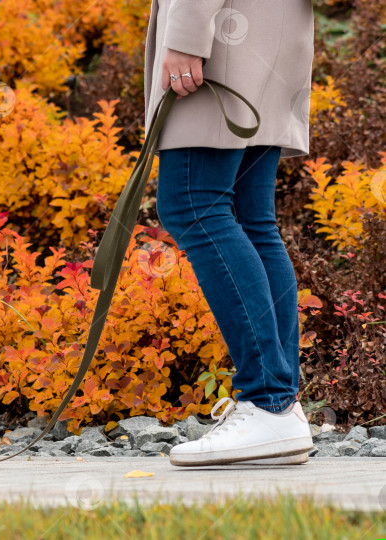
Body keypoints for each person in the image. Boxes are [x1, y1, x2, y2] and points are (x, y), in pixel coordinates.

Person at [143, 0, 316, 466]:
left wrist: (186, 35)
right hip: (270, 37)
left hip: (224, 41)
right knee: (250, 217)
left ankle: (267, 401)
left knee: (193, 206)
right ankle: (280, 408)